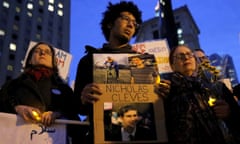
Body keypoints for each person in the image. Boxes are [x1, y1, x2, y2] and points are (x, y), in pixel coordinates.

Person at [73, 1, 142, 143]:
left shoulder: (142, 63)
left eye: (135, 24)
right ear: (110, 24)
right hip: (100, 136)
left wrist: (161, 93)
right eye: (126, 19)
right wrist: (83, 98)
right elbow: (78, 108)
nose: (130, 25)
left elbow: (151, 104)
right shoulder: (88, 61)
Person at [0, 41, 80, 143]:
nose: (42, 53)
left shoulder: (64, 89)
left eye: (47, 52)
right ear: (29, 60)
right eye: (37, 51)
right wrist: (16, 108)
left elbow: (75, 120)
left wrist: (59, 114)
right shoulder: (12, 85)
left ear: (54, 61)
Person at [160, 45, 240, 144]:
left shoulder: (218, 88)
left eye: (189, 54)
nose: (186, 58)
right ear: (172, 65)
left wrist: (229, 114)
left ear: (195, 61)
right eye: (180, 56)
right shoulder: (167, 92)